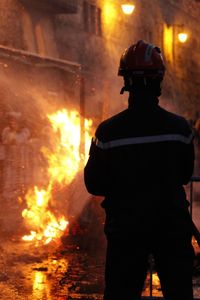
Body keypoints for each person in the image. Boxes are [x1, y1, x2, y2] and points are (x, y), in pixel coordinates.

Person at [84, 40, 195, 300]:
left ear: (126, 83)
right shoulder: (179, 129)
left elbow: (94, 184)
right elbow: (184, 175)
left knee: (121, 294)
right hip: (171, 229)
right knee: (179, 293)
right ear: (159, 81)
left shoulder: (108, 132)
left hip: (126, 232)